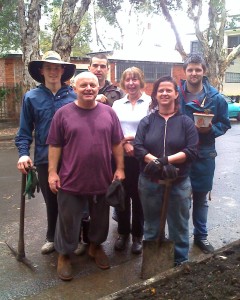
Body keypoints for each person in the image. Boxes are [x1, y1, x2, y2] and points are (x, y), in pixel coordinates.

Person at [46, 71, 125, 281]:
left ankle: (95, 246)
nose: (88, 88)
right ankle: (64, 254)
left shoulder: (109, 113)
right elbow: (54, 145)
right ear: (74, 89)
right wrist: (52, 172)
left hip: (102, 177)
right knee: (67, 219)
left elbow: (117, 142)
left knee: (100, 218)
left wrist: (120, 168)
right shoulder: (63, 114)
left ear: (98, 88)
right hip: (71, 178)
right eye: (83, 85)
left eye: (92, 85)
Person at [15, 51, 76, 255]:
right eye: (49, 67)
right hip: (43, 157)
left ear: (63, 70)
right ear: (41, 70)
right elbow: (24, 130)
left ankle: (73, 237)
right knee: (51, 199)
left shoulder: (73, 97)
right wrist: (24, 153)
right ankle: (51, 236)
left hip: (71, 158)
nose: (53, 71)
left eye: (57, 67)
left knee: (71, 199)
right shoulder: (31, 97)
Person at [134, 75, 199, 265]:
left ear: (176, 94)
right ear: (155, 95)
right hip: (149, 183)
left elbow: (191, 150)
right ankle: (153, 264)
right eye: (160, 90)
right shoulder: (147, 122)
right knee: (151, 225)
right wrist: (156, 163)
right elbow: (138, 148)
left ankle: (180, 262)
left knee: (178, 226)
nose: (164, 93)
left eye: (168, 90)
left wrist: (165, 160)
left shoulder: (186, 122)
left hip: (179, 183)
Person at [178, 54, 231, 254]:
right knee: (181, 199)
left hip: (204, 153)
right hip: (180, 153)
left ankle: (201, 236)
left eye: (197, 69)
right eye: (190, 69)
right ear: (185, 71)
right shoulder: (176, 94)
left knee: (200, 198)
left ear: (204, 71)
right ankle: (180, 238)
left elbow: (224, 124)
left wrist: (210, 130)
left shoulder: (215, 98)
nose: (194, 73)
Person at [112, 67, 151, 254]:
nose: (131, 83)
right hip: (121, 156)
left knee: (139, 196)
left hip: (142, 157)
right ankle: (122, 233)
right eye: (127, 80)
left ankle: (137, 236)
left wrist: (137, 146)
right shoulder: (117, 104)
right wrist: (125, 144)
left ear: (141, 81)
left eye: (135, 79)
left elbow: (153, 129)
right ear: (123, 82)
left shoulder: (151, 102)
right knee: (122, 196)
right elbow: (114, 129)